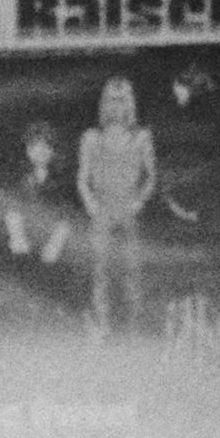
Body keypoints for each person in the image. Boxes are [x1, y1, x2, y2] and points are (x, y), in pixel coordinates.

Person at [75, 73, 164, 336]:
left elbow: (151, 176)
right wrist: (90, 203)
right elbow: (82, 177)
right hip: (102, 207)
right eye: (111, 100)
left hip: (129, 207)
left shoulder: (141, 137)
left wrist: (139, 201)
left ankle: (133, 324)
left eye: (122, 100)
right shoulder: (91, 137)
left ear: (130, 104)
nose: (117, 106)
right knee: (100, 268)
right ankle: (102, 323)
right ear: (104, 103)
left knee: (131, 267)